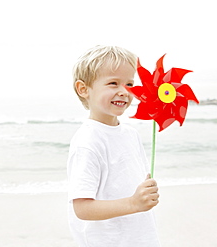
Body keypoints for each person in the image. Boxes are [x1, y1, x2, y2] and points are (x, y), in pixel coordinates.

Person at [67, 45, 160, 247]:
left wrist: (144, 196)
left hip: (139, 238)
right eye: (113, 83)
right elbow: (82, 208)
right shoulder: (88, 141)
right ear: (83, 89)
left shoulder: (131, 134)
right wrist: (134, 203)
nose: (124, 92)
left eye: (129, 84)